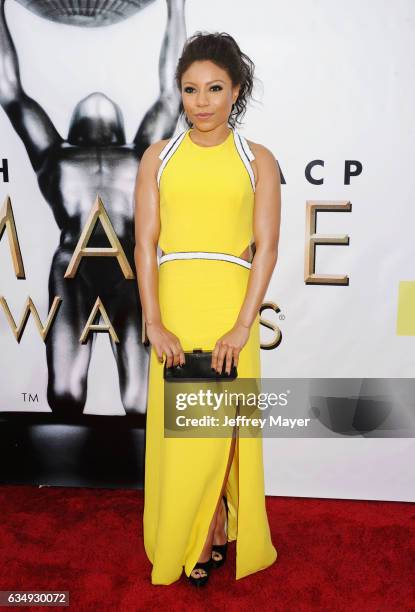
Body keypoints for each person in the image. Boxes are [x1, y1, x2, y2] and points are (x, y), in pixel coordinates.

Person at [134, 31, 281, 586]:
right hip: (175, 302)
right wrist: (153, 320)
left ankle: (215, 519)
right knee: (185, 430)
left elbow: (266, 245)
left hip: (229, 306)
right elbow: (144, 243)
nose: (202, 101)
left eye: (215, 88)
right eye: (191, 89)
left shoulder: (257, 159)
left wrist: (244, 324)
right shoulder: (159, 157)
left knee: (221, 425)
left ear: (235, 90)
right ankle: (199, 529)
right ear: (179, 93)